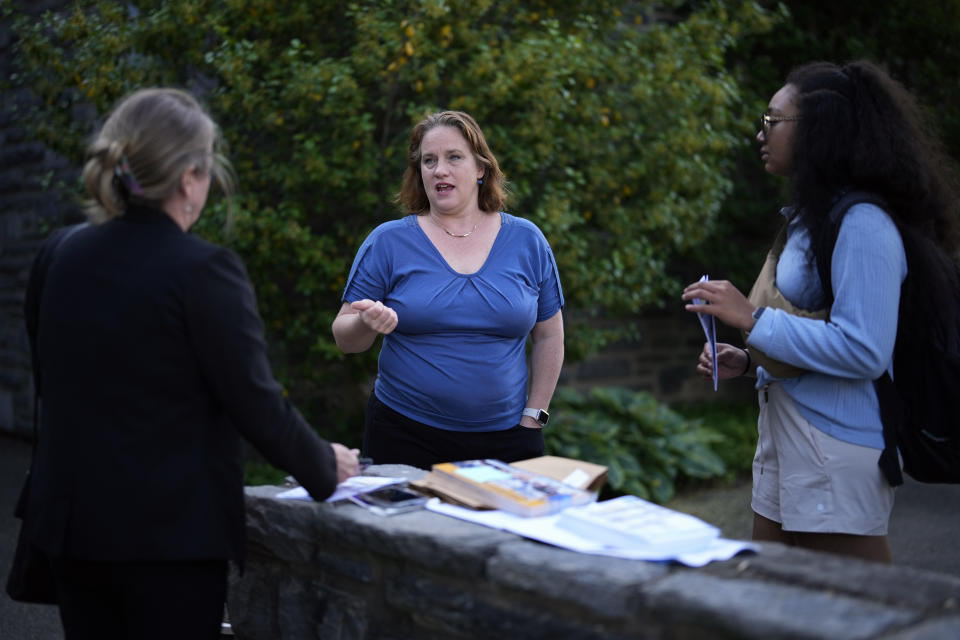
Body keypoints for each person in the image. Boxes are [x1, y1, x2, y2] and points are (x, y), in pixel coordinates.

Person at [22, 88, 360, 639]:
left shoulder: (59, 252)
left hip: (71, 529)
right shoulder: (203, 270)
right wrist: (326, 465)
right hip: (165, 541)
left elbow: (52, 378)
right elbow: (256, 404)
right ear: (188, 178)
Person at [681, 61, 960, 563]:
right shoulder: (809, 219)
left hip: (833, 444)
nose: (760, 133)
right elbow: (812, 329)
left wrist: (752, 319)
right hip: (785, 435)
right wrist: (751, 362)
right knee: (773, 598)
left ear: (819, 131)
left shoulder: (863, 224)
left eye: (773, 121)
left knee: (854, 610)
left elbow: (864, 350)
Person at [332, 110, 565, 470]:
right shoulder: (388, 242)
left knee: (502, 530)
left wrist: (535, 416)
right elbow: (346, 339)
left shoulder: (526, 240)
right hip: (403, 434)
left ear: (481, 169)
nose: (439, 169)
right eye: (429, 160)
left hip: (508, 439)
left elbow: (550, 336)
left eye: (454, 157)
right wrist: (366, 323)